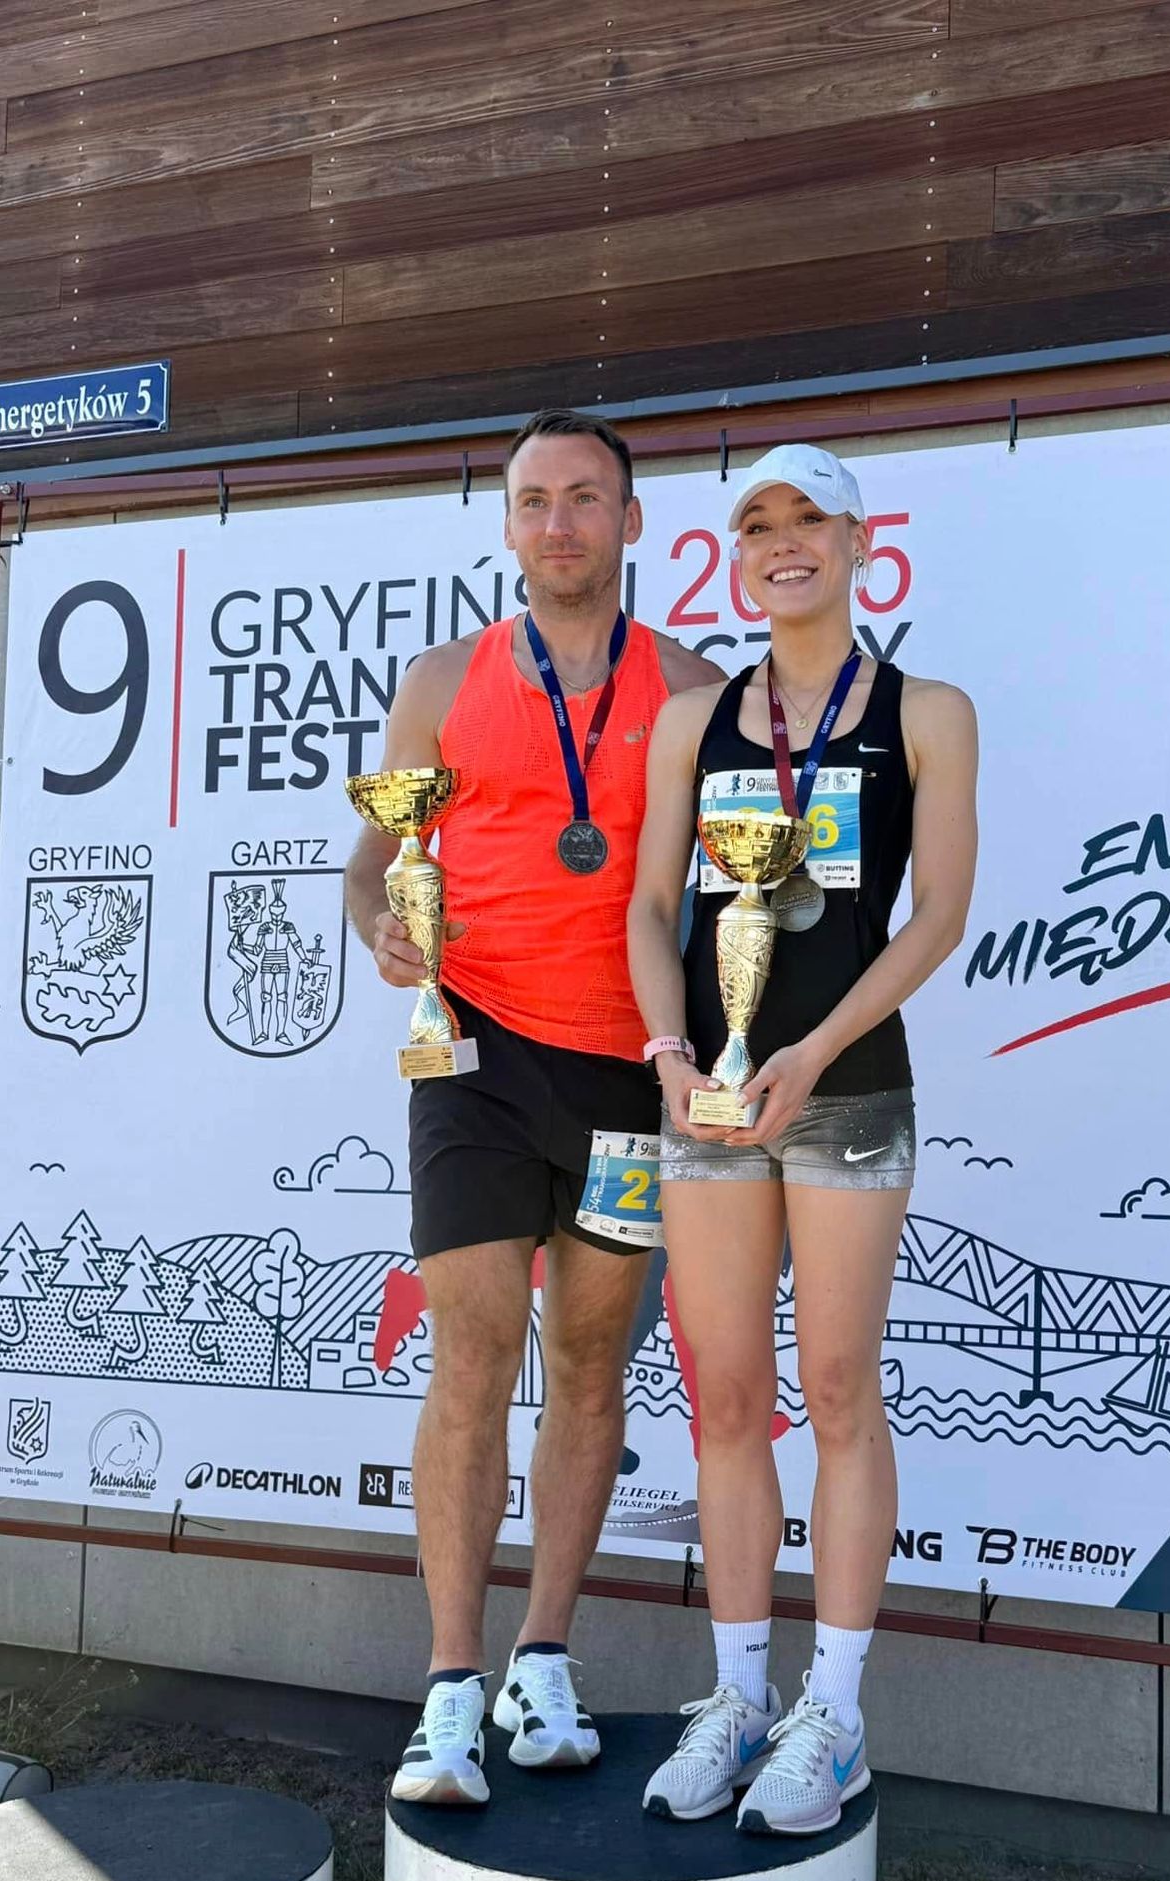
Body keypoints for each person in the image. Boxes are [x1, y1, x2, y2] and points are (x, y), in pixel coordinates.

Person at [346, 409, 722, 1806]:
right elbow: (375, 858)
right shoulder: (443, 681)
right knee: (472, 1351)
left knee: (590, 1358)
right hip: (475, 1055)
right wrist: (383, 926)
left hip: (631, 1067)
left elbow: (738, 888)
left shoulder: (694, 687)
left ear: (631, 521)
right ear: (507, 525)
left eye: (584, 498)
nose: (557, 523)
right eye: (532, 500)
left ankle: (541, 1658)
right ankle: (450, 1684)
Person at [628, 443, 979, 1835]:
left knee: (836, 1389)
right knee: (722, 1399)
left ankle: (832, 1714)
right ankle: (735, 1695)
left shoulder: (926, 711)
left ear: (856, 543)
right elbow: (651, 909)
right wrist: (671, 1052)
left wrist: (814, 1049)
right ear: (733, 555)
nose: (783, 543)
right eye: (756, 523)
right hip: (710, 1100)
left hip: (845, 1088)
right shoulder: (693, 720)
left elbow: (938, 914)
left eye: (808, 520)